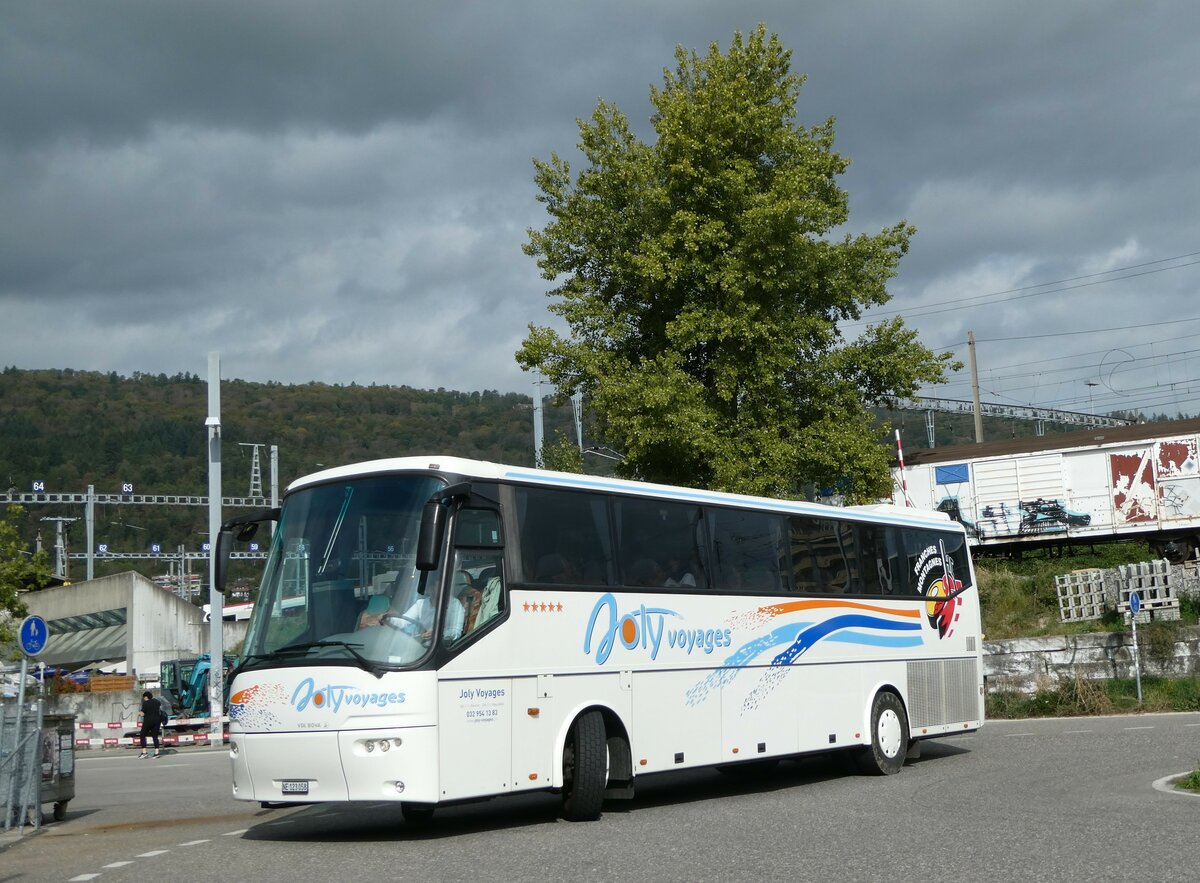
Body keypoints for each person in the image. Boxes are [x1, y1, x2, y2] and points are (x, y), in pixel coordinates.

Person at [137, 690, 164, 759]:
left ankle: (144, 752)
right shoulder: (157, 702)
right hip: (157, 721)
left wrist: (139, 713)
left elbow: (143, 713)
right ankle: (157, 753)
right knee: (155, 736)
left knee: (142, 735)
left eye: (144, 697)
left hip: (148, 721)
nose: (144, 699)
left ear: (146, 697)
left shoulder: (145, 703)